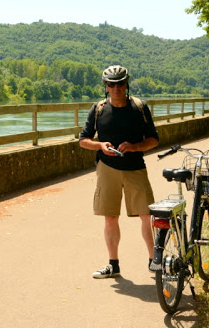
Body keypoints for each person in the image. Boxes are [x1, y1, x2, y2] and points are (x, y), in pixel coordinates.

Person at [78, 65, 159, 278]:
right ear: (105, 86)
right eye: (111, 84)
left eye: (120, 84)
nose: (116, 88)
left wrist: (134, 147)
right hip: (107, 169)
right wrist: (100, 146)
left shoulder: (139, 108)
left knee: (146, 215)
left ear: (127, 84)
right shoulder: (98, 109)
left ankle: (154, 261)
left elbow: (153, 139)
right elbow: (83, 140)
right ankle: (113, 265)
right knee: (110, 218)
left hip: (135, 168)